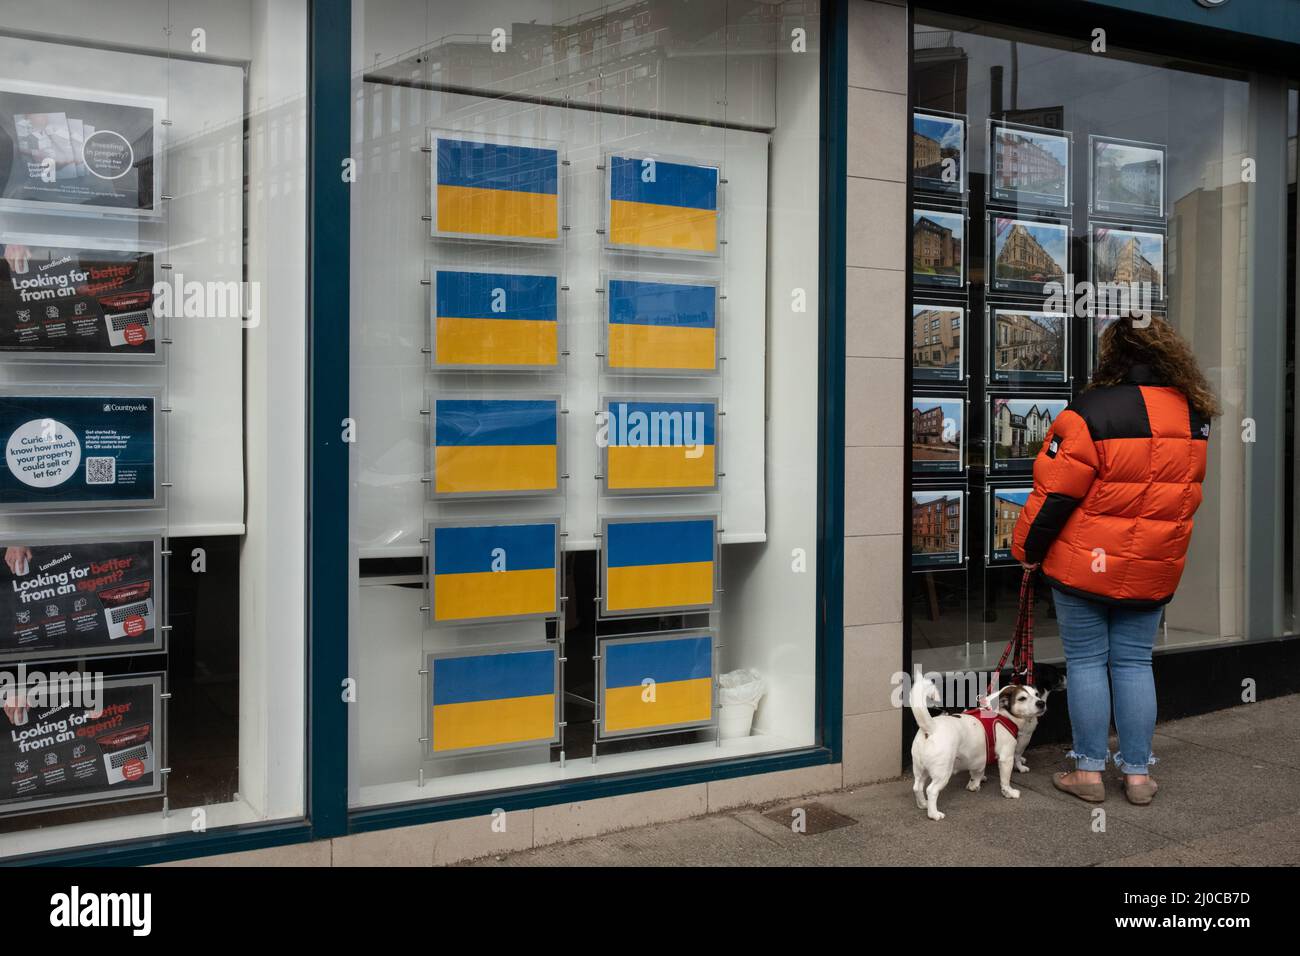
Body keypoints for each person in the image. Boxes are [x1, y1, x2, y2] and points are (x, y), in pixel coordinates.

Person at [1011, 316, 1219, 805]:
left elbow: (1054, 495)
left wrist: (1026, 553)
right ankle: (1139, 775)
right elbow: (1183, 496)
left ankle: (1087, 772)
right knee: (1132, 664)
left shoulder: (1088, 411)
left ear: (1113, 355)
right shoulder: (1193, 414)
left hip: (1087, 564)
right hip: (1153, 563)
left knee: (1086, 662)